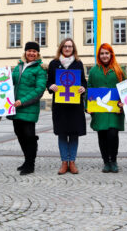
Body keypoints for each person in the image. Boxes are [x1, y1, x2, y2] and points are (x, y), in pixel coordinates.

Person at [47, 38, 87, 175]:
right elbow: (49, 82)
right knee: (62, 133)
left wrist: (83, 87)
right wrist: (50, 86)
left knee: (74, 133)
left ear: (73, 48)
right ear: (61, 48)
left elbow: (83, 82)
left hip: (75, 105)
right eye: (65, 46)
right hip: (60, 105)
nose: (67, 49)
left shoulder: (78, 63)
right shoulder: (54, 63)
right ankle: (64, 162)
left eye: (70, 46)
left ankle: (73, 162)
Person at [7, 41, 47, 175]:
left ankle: (31, 164)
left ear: (38, 54)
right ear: (25, 52)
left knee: (29, 136)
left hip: (28, 107)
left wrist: (22, 101)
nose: (31, 53)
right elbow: (8, 81)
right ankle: (26, 160)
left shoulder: (39, 69)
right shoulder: (19, 67)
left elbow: (39, 90)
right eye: (29, 51)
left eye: (34, 51)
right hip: (15, 108)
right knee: (20, 135)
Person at [87, 43, 125, 173]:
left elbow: (125, 89)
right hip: (99, 109)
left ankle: (113, 160)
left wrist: (123, 102)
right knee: (102, 135)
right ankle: (106, 162)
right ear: (99, 55)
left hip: (114, 109)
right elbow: (89, 89)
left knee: (113, 134)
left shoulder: (119, 70)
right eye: (102, 53)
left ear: (111, 54)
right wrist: (88, 106)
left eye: (106, 53)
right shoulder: (93, 71)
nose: (104, 56)